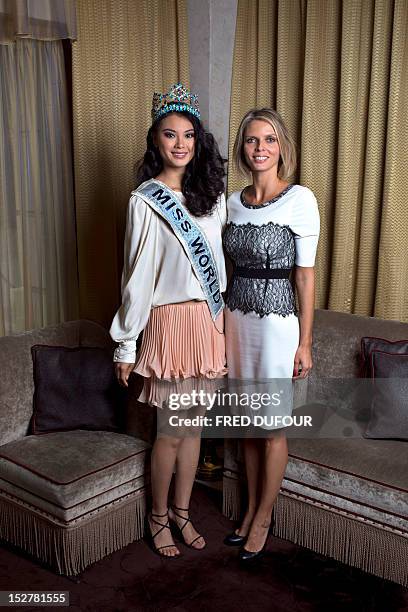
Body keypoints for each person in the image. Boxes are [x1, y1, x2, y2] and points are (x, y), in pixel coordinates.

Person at [110, 83, 227, 558]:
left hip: (207, 324)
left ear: (198, 142)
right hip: (169, 324)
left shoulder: (212, 197)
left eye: (188, 135)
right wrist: (126, 344)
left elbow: (220, 265)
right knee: (170, 430)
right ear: (155, 141)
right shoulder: (145, 200)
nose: (180, 143)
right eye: (169, 134)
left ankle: (183, 512)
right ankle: (157, 517)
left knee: (195, 428)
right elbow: (137, 278)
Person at [223, 108, 320, 562]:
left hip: (280, 327)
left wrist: (305, 342)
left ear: (282, 147)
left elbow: (305, 277)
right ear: (243, 148)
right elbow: (223, 268)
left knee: (272, 428)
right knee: (246, 423)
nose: (260, 148)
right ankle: (246, 511)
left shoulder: (300, 199)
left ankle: (264, 517)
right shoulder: (233, 201)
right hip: (237, 322)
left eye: (269, 140)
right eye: (251, 141)